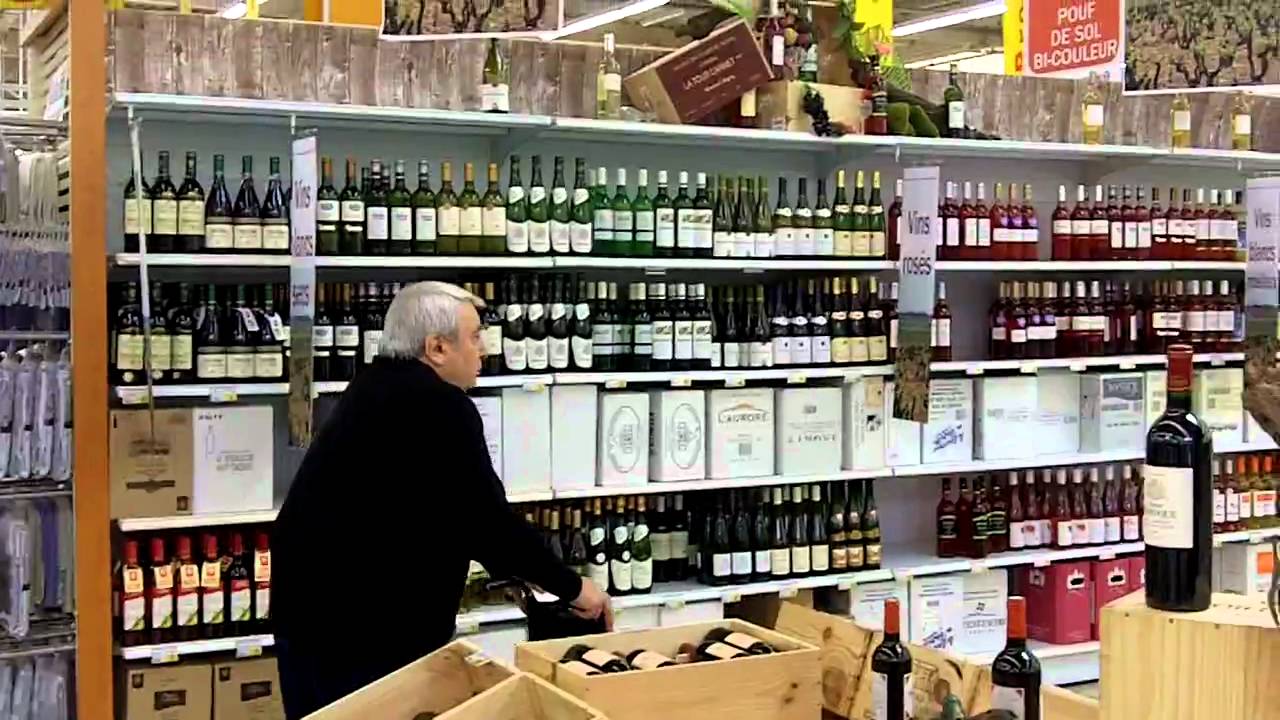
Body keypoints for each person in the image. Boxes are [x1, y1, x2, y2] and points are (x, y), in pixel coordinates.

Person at [272, 281, 612, 718]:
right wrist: (574, 588)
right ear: (436, 347)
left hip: (308, 614)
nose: (484, 349)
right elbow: (487, 523)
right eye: (474, 337)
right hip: (364, 628)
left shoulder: (372, 385)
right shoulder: (440, 404)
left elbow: (428, 506)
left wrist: (512, 571)